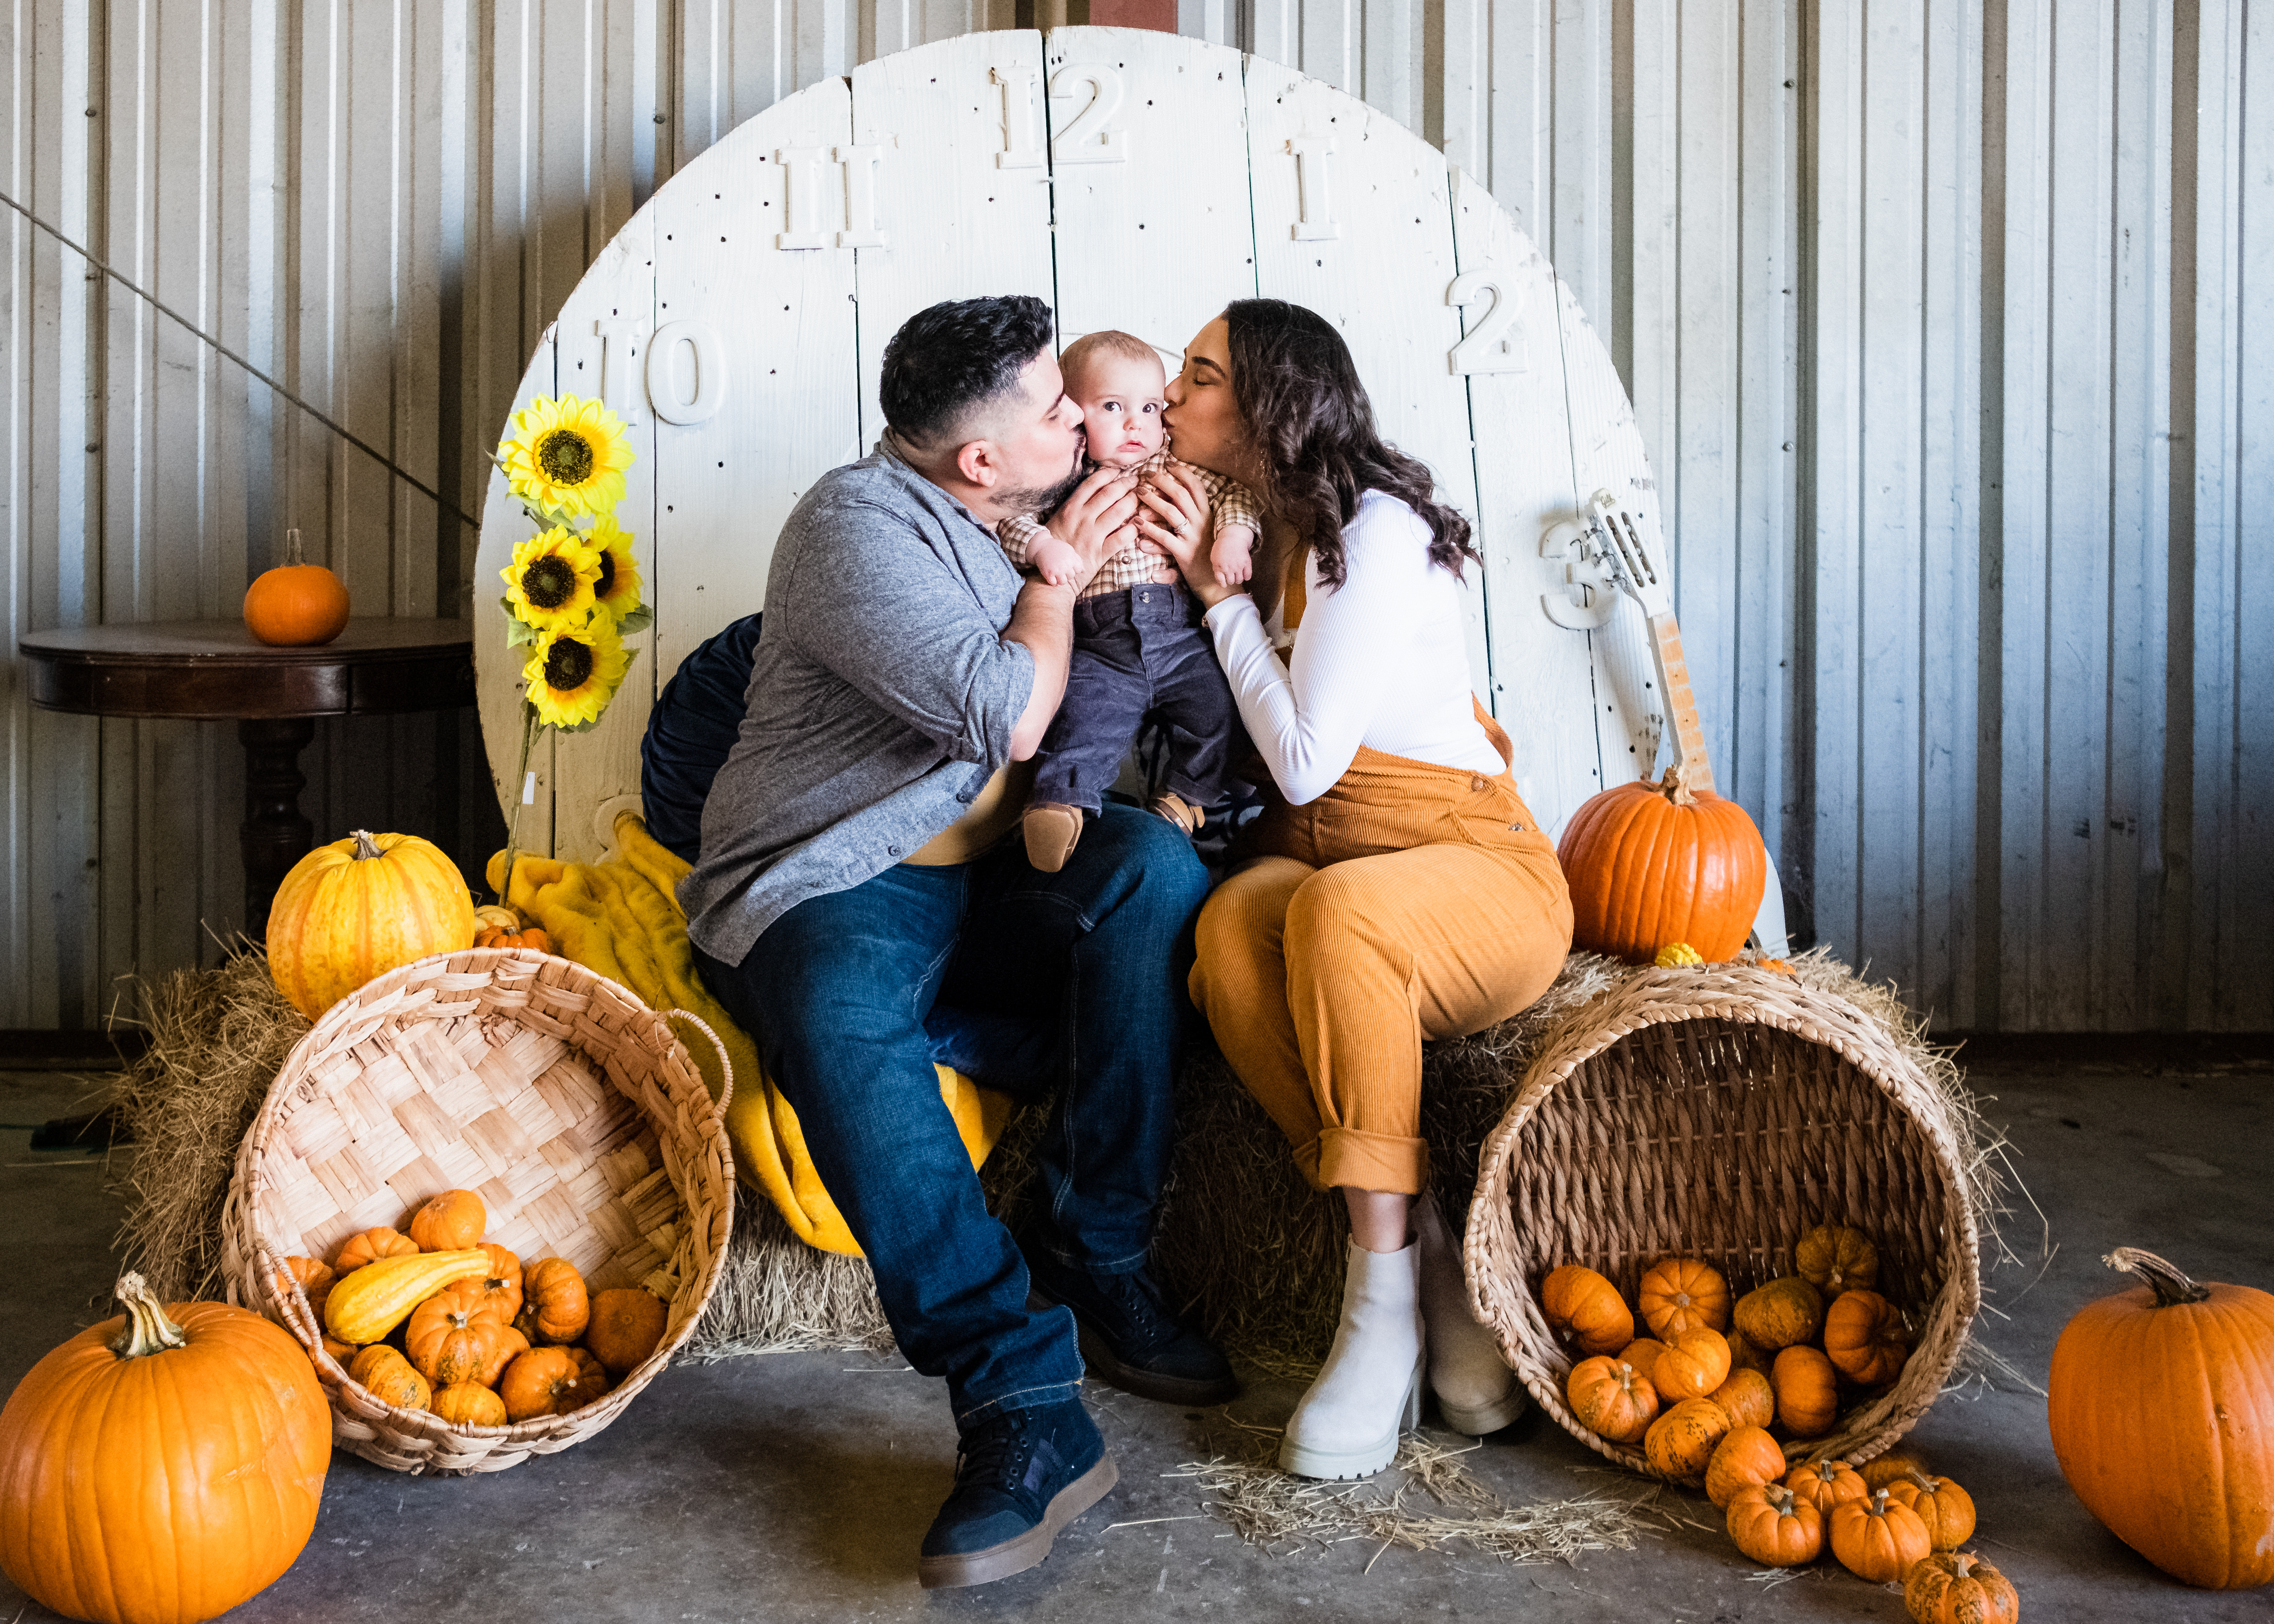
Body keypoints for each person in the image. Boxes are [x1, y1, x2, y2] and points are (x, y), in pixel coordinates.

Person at [678, 294, 1235, 1589]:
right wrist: (1051, 585)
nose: (1080, 419)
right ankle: (1022, 1396)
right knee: (833, 1008)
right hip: (837, 878)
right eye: (1055, 407)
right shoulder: (855, 525)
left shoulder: (1031, 499)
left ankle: (1096, 1252)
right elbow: (1006, 714)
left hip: (984, 882)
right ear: (979, 459)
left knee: (1149, 865)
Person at [1139, 298, 1575, 1481]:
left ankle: (1376, 1317)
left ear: (1273, 400)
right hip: (1320, 855)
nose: (1174, 396)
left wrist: (1223, 606)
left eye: (1198, 374)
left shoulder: (1372, 530)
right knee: (1229, 930)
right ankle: (1415, 1246)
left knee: (1341, 914)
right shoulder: (1258, 525)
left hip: (1470, 867)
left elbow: (1303, 758)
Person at [998, 329, 1260, 871]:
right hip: (1100, 644)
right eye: (1112, 406)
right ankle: (1059, 804)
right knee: (1083, 720)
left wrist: (1234, 536)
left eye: (1149, 407)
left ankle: (1185, 799)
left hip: (1182, 637)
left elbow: (1235, 496)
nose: (1136, 423)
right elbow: (1009, 522)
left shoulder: (1175, 469)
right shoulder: (1061, 480)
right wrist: (1044, 543)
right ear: (1072, 415)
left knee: (1219, 711)